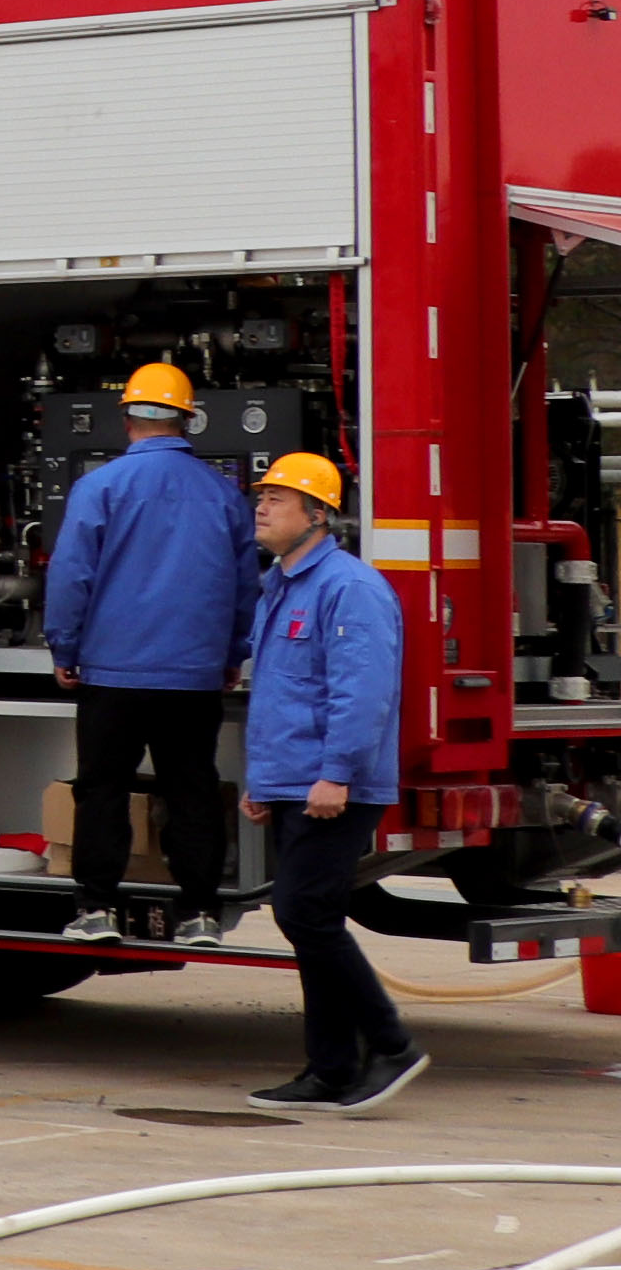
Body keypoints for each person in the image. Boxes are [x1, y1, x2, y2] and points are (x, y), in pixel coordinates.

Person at [237, 454, 419, 1115]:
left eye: (279, 499)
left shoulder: (350, 588)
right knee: (309, 918)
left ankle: (391, 1043)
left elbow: (362, 692)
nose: (262, 507)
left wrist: (336, 772)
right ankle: (331, 1068)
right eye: (262, 496)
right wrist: (263, 782)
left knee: (303, 912)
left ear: (318, 515)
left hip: (334, 786)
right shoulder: (279, 585)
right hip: (295, 782)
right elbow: (279, 693)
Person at [46, 362, 248, 942]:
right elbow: (243, 586)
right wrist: (232, 652)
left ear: (128, 417)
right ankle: (201, 912)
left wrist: (66, 646)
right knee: (192, 788)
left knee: (103, 787)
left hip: (113, 672)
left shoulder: (99, 488)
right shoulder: (223, 494)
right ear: (187, 419)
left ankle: (96, 909)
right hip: (193, 674)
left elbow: (70, 577)